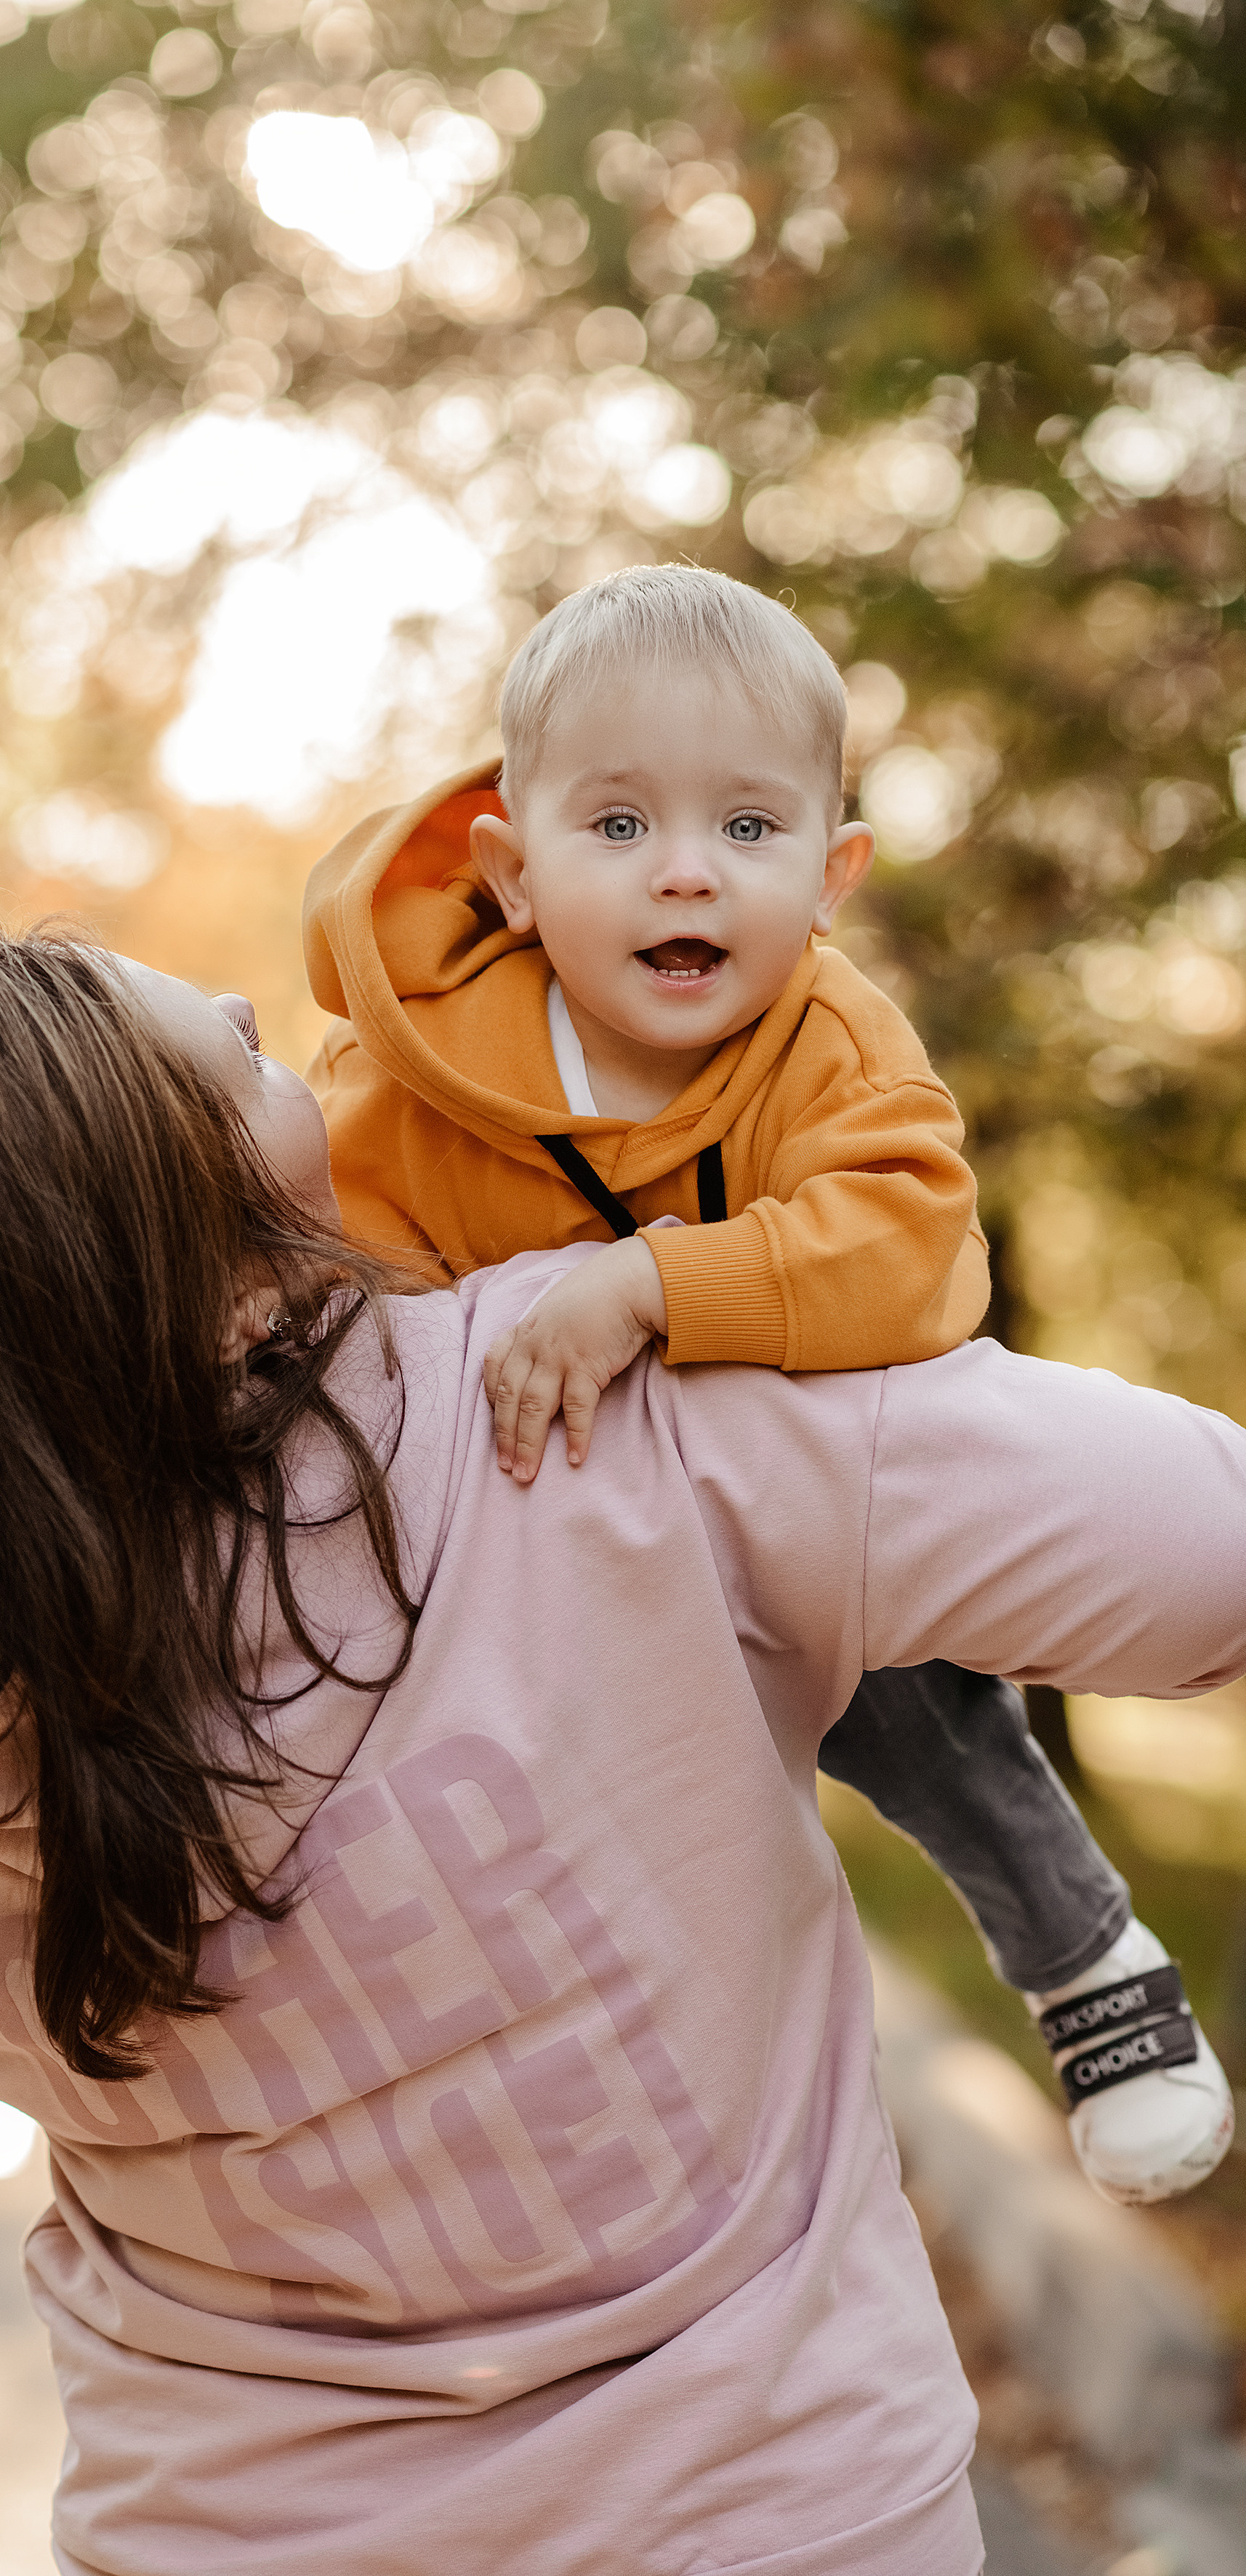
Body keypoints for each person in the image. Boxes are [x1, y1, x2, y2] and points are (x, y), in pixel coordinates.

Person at [0, 914, 1246, 2576]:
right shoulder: (585, 1405)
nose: (267, 1008)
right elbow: (1204, 1551)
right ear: (209, 1290)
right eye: (236, 1058)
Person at [302, 563, 1232, 2202]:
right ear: (511, 873)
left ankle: (1080, 1947)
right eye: (618, 829)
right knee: (561, 1810)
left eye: (747, 829)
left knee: (930, 1723)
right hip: (546, 1528)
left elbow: (907, 1247)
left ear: (831, 873)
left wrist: (653, 1282)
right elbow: (330, 1284)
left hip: (813, 1489)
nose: (684, 873)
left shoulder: (828, 1040)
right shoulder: (414, 1081)